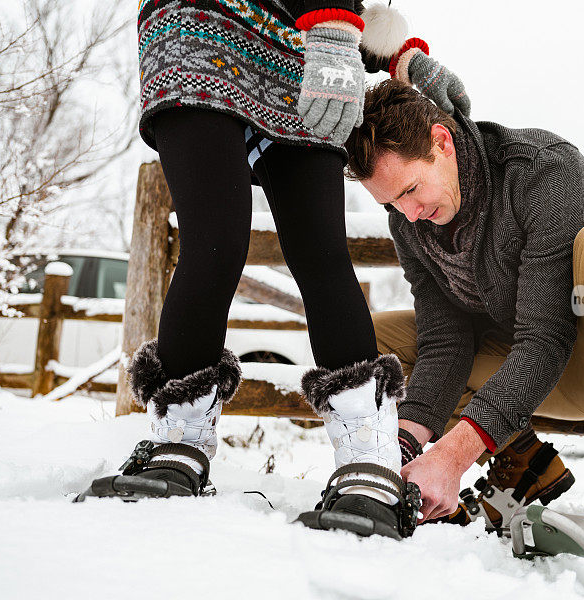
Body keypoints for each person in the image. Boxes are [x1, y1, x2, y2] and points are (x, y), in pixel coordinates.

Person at [75, 1, 465, 539]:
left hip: (297, 48)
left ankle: (368, 460)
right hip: (201, 26)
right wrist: (332, 33)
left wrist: (399, 56)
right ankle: (179, 441)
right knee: (215, 242)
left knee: (321, 251)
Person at [345, 77, 584, 570]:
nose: (410, 213)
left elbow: (547, 338)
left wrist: (453, 457)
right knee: (378, 338)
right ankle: (524, 465)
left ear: (441, 142)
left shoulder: (544, 170)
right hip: (523, 364)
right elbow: (445, 343)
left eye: (410, 189)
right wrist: (403, 450)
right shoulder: (411, 221)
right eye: (392, 204)